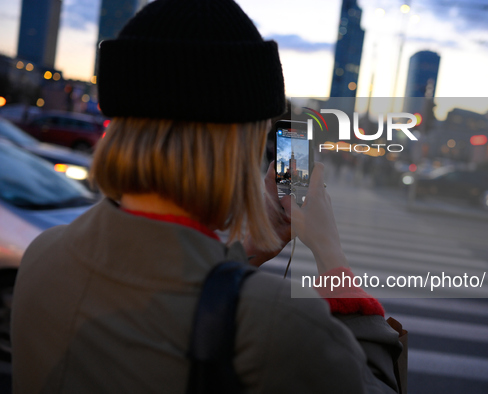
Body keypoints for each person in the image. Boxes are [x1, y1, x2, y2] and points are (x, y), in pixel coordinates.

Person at [11, 0, 403, 393]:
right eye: (259, 136)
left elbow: (164, 277)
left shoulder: (43, 255)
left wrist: (248, 249)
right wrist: (332, 258)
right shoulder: (279, 323)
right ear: (235, 144)